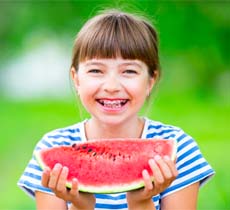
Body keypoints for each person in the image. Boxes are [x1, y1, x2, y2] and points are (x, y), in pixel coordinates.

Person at [18, 9, 214, 210]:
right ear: (76, 79)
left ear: (150, 80)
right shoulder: (52, 148)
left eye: (129, 71)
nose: (111, 86)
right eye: (96, 70)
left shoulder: (178, 149)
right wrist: (81, 206)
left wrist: (141, 203)